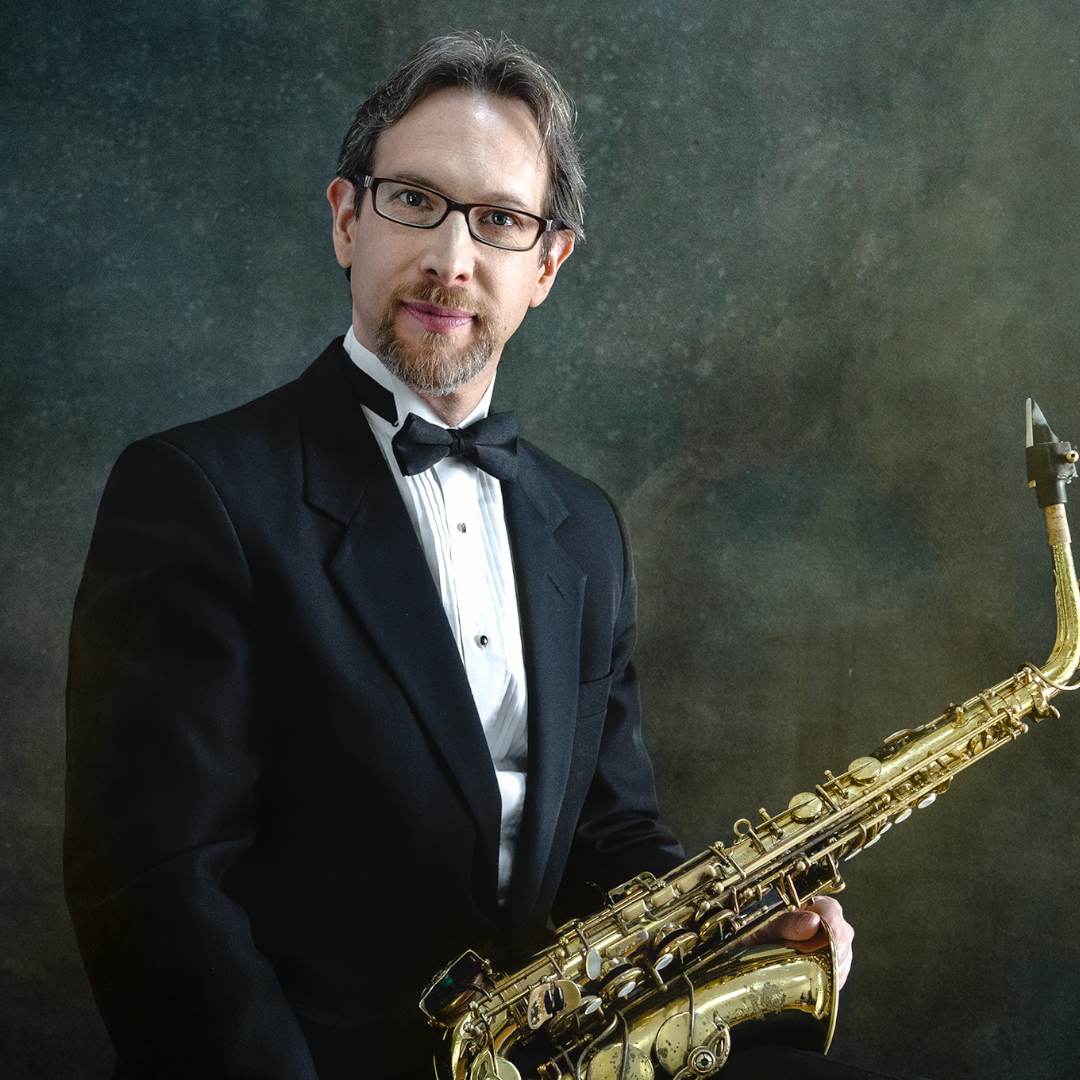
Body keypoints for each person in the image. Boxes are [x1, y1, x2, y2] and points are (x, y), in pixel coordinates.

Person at [66, 32, 868, 1080]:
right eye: (415, 202)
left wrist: (725, 935)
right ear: (348, 218)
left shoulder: (583, 524)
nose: (452, 258)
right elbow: (155, 888)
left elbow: (610, 836)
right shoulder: (196, 493)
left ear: (548, 264)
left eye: (498, 220)